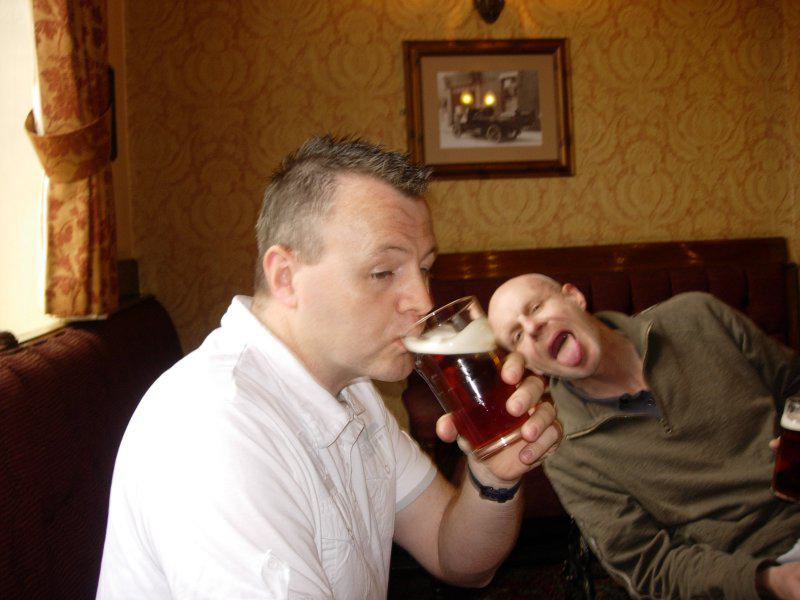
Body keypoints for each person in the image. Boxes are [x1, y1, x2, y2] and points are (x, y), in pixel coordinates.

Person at [96, 136, 561, 599]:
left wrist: (494, 478)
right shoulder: (212, 427)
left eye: (424, 269)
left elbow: (453, 554)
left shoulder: (352, 390)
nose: (423, 302)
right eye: (383, 272)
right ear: (286, 277)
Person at [487, 274, 800, 600]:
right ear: (530, 364)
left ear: (574, 297)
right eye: (517, 335)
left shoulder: (698, 315)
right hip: (749, 573)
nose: (533, 328)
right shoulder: (564, 447)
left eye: (536, 307)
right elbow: (648, 567)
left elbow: (794, 383)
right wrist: (772, 581)